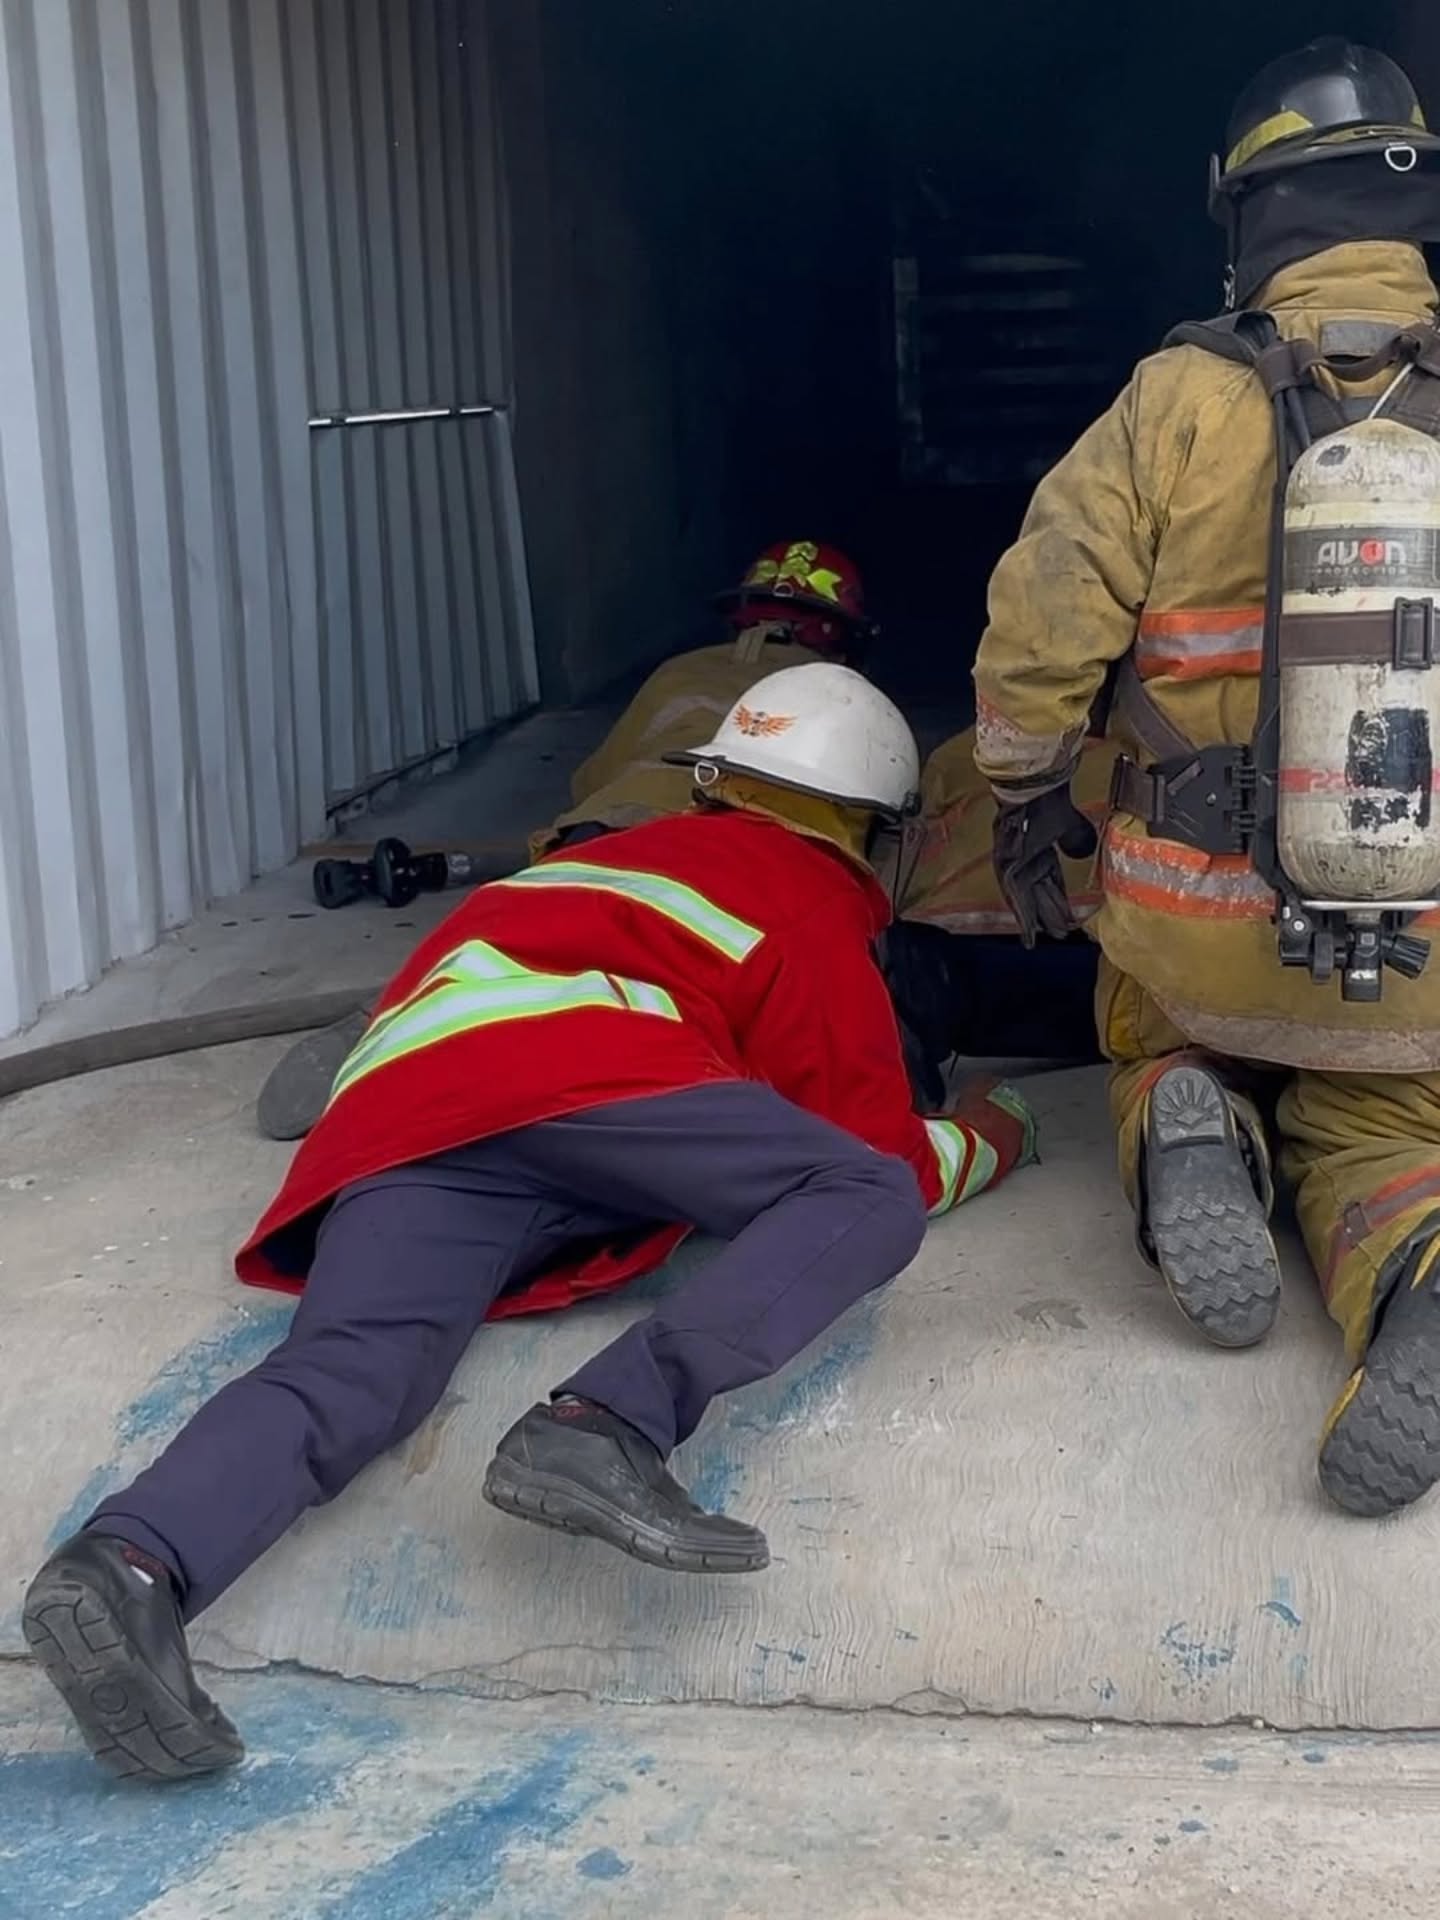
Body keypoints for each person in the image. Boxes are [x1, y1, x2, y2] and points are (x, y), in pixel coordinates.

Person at [24, 661, 1036, 1782]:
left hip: (407, 1115)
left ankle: (131, 1561)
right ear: (871, 828)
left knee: (351, 1373)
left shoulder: (579, 864)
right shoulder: (804, 892)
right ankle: (605, 1423)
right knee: (864, 1198)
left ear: (715, 781)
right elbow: (871, 1149)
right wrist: (1001, 1131)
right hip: (588, 1084)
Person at [969, 38, 1440, 1516]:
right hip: (1422, 957)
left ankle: (1192, 1112)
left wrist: (1023, 786)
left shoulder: (1177, 394)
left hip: (1192, 927)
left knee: (1158, 1031)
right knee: (1389, 1128)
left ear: (1245, 215)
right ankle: (1414, 1275)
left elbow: (1043, 619)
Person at [257, 539, 878, 1141]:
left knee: (525, 931)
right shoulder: (838, 696)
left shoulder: (677, 671)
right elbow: (863, 814)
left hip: (602, 827)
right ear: (840, 632)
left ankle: (399, 1009)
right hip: (734, 842)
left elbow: (596, 777)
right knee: (688, 973)